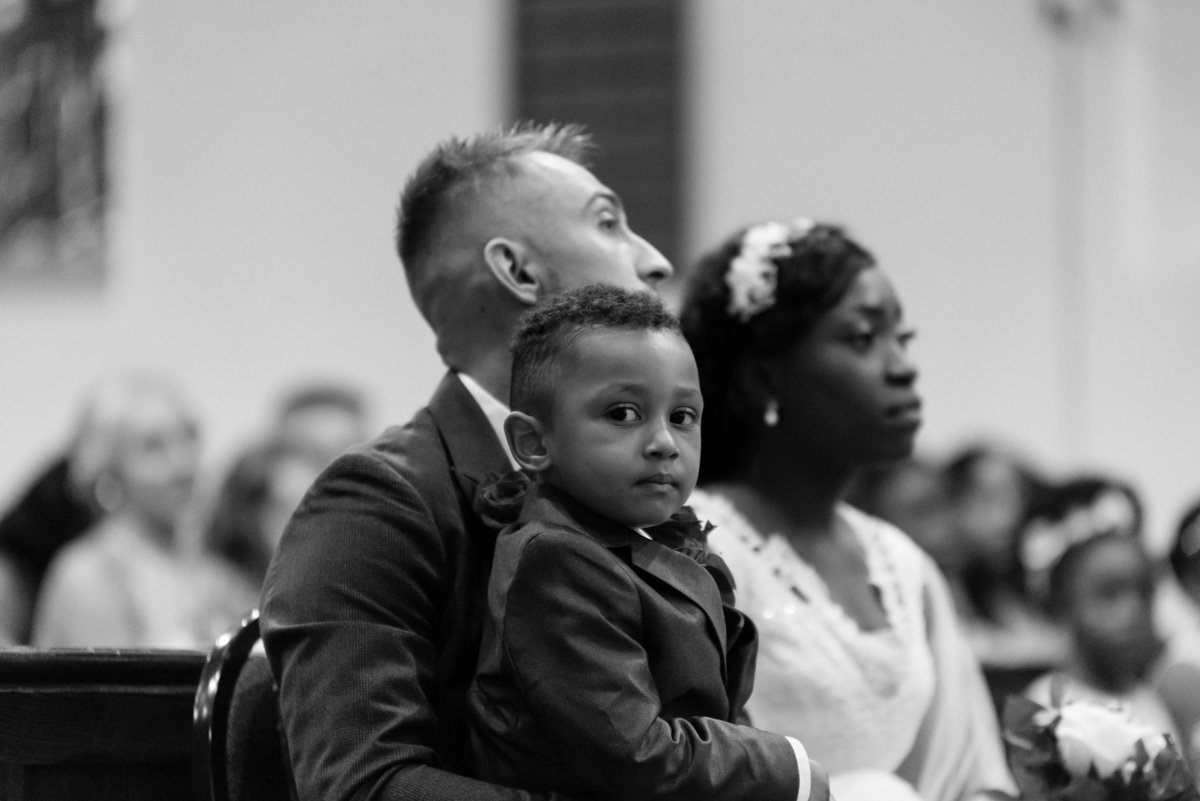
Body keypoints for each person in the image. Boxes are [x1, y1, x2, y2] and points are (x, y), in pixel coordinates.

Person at [259, 121, 681, 801]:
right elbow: (365, 785)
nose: (655, 258)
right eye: (609, 224)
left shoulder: (640, 483)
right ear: (517, 270)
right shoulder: (376, 504)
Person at [678, 218, 1015, 801]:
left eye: (901, 339)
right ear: (763, 377)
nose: (902, 367)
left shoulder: (903, 567)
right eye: (862, 339)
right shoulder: (702, 548)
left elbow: (972, 776)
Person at [467, 283, 826, 801]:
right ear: (534, 443)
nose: (663, 443)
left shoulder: (648, 534)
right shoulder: (557, 557)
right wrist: (785, 770)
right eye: (623, 414)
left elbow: (715, 705)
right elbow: (630, 750)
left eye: (683, 417)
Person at [31, 371, 248, 648]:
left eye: (188, 438)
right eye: (153, 447)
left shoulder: (214, 570)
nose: (183, 465)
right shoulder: (90, 576)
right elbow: (107, 687)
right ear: (109, 471)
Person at [1020, 475, 1188, 757]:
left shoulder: (1153, 700)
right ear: (1063, 605)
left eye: (1144, 592)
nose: (1132, 612)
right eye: (1109, 594)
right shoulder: (1048, 704)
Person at [943, 443, 1065, 671]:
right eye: (987, 498)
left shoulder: (1017, 579)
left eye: (1015, 496)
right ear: (950, 502)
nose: (1006, 517)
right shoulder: (937, 583)